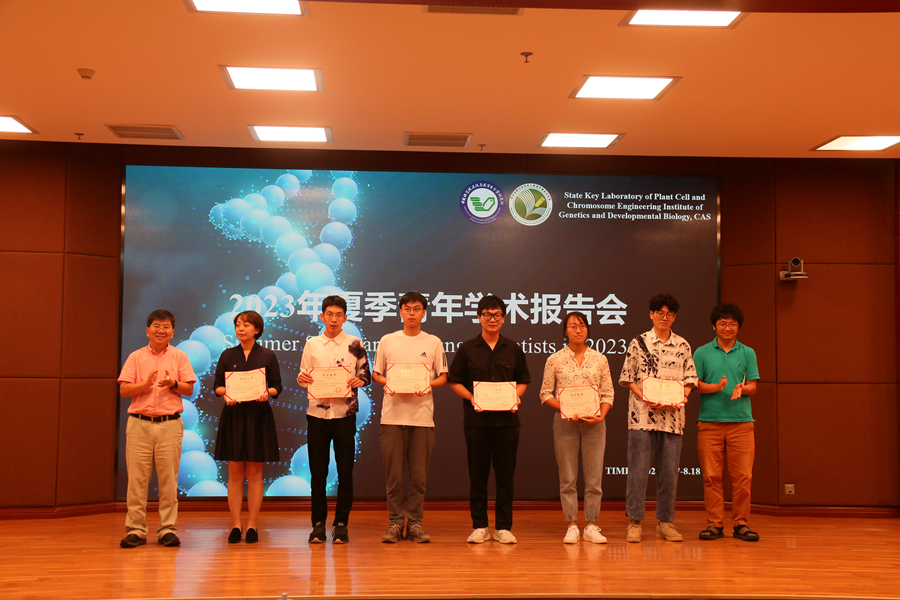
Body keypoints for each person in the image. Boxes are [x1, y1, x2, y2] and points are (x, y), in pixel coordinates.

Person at [449, 294, 530, 544]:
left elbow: (523, 381)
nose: (492, 319)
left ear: (504, 319)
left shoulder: (513, 348)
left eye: (497, 315)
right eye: (487, 314)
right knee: (478, 476)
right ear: (479, 317)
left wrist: (514, 397)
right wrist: (472, 398)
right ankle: (480, 526)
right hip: (477, 422)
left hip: (507, 423)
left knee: (506, 477)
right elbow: (455, 381)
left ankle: (503, 527)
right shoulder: (467, 348)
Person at [618, 293, 697, 543]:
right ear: (651, 314)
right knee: (638, 471)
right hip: (642, 416)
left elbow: (690, 379)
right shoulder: (638, 343)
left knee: (669, 473)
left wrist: (683, 396)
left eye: (669, 314)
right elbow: (627, 377)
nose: (665, 317)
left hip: (673, 419)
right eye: (660, 313)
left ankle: (666, 522)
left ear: (674, 317)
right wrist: (644, 396)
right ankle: (634, 521)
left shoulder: (683, 345)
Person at [372, 291, 448, 543]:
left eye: (416, 309)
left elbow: (443, 377)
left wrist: (428, 385)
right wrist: (388, 382)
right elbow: (376, 374)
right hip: (392, 418)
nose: (412, 313)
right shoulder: (388, 340)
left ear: (424, 313)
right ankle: (395, 524)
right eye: (407, 309)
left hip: (422, 418)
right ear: (400, 312)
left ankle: (415, 524)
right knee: (393, 477)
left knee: (418, 477)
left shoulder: (433, 342)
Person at [117, 309, 196, 548]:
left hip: (169, 424)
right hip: (139, 424)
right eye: (157, 326)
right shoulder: (136, 357)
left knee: (168, 480)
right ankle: (136, 530)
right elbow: (124, 390)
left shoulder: (180, 356)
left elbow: (189, 389)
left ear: (172, 332)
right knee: (137, 481)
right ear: (147, 330)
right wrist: (146, 384)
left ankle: (167, 529)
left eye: (166, 327)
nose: (161, 331)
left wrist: (173, 384)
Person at [297, 295, 371, 545]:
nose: (334, 319)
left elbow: (366, 375)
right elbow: (303, 375)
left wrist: (359, 380)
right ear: (322, 316)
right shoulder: (312, 344)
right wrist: (301, 379)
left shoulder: (354, 343)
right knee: (318, 473)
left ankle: (341, 524)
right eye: (329, 314)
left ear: (345, 318)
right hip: (317, 415)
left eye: (339, 315)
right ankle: (317, 524)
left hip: (344, 414)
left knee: (344, 471)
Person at [539, 312, 614, 544]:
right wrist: (565, 408)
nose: (578, 330)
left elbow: (608, 393)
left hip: (595, 424)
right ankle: (571, 524)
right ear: (565, 331)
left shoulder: (599, 359)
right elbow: (545, 394)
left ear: (587, 329)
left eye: (582, 326)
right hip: (565, 424)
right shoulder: (555, 360)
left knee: (594, 478)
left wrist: (601, 416)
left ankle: (591, 524)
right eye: (573, 326)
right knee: (568, 477)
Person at [693, 303, 760, 542]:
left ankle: (741, 523)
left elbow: (753, 386)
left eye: (732, 323)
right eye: (722, 323)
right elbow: (694, 385)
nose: (727, 328)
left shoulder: (748, 352)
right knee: (711, 477)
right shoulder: (702, 352)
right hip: (709, 423)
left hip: (741, 423)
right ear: (714, 326)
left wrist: (742, 389)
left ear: (738, 327)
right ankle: (715, 524)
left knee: (743, 477)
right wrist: (716, 387)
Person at [213, 310, 281, 545]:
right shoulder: (227, 354)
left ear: (257, 329)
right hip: (233, 415)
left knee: (254, 473)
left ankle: (252, 524)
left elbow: (277, 387)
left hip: (258, 416)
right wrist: (228, 392)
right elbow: (217, 386)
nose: (241, 329)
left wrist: (266, 392)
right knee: (234, 474)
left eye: (246, 325)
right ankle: (235, 525)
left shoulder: (268, 355)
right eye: (238, 325)